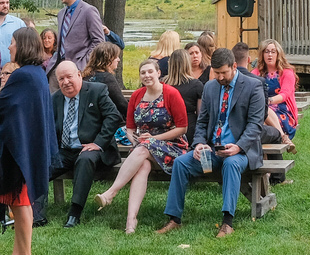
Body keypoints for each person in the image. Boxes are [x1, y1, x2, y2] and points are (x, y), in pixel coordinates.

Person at [157, 47, 266, 238]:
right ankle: (174, 218)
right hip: (213, 149)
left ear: (234, 66)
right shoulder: (210, 87)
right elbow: (203, 121)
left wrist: (238, 146)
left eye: (224, 72)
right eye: (217, 73)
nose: (220, 77)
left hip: (241, 151)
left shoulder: (253, 86)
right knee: (181, 163)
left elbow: (255, 126)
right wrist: (198, 143)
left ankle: (227, 222)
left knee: (231, 164)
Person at [97, 58, 189, 233]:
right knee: (143, 165)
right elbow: (130, 129)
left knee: (144, 148)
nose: (146, 75)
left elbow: (182, 127)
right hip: (143, 148)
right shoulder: (137, 96)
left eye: (150, 72)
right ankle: (131, 221)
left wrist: (154, 139)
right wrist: (135, 140)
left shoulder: (171, 93)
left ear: (158, 73)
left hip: (172, 146)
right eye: (143, 73)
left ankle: (111, 193)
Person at [0, 28, 55, 255]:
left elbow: (5, 107)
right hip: (29, 145)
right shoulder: (36, 73)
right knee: (17, 203)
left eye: (13, 43)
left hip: (21, 150)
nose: (10, 47)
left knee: (21, 203)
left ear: (24, 45)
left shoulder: (23, 76)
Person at [48, 60, 122, 227]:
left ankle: (75, 213)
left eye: (69, 77)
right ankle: (34, 212)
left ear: (79, 75)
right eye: (61, 79)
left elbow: (114, 116)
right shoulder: (55, 98)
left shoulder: (96, 91)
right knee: (41, 165)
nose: (65, 82)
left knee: (84, 160)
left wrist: (98, 143)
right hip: (65, 150)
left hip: (92, 148)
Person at [254, 39, 299, 147]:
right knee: (259, 124)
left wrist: (268, 101)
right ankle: (269, 156)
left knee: (263, 115)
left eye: (273, 51)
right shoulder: (256, 73)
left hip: (283, 113)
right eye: (266, 51)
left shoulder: (287, 72)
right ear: (262, 54)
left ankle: (283, 137)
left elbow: (285, 94)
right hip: (262, 111)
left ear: (278, 54)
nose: (270, 55)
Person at [55, 0, 105, 71]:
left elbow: (99, 41)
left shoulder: (88, 11)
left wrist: (84, 61)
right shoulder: (61, 14)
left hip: (80, 67)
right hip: (59, 65)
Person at [81, 42, 129, 117]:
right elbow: (122, 104)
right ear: (109, 59)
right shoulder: (106, 78)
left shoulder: (85, 76)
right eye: (116, 57)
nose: (118, 60)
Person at [163, 48, 204, 123]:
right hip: (189, 125)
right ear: (187, 63)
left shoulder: (162, 84)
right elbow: (200, 114)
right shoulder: (196, 85)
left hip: (166, 126)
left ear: (171, 63)